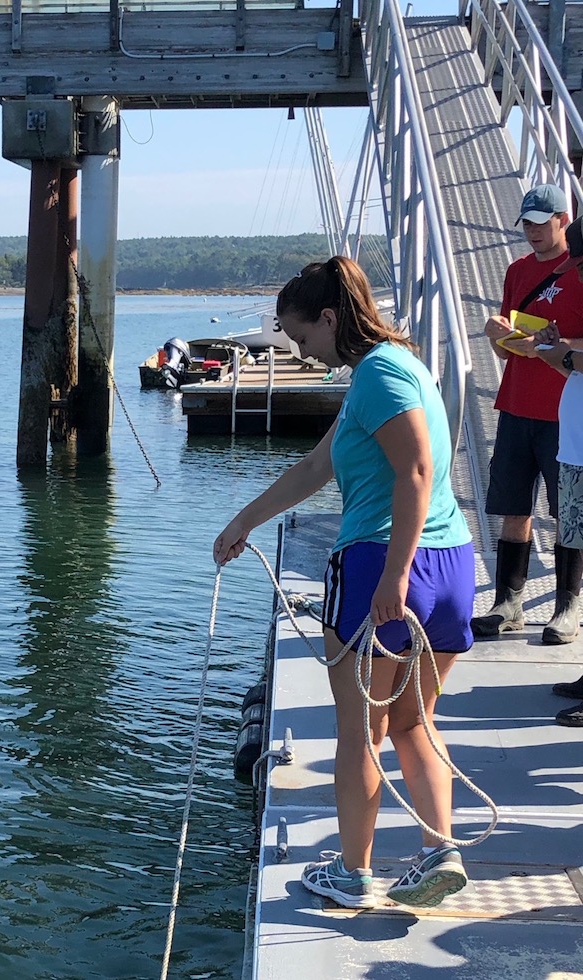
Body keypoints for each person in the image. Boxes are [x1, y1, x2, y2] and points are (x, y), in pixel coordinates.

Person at [214, 257, 474, 910]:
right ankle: (439, 851)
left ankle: (354, 874)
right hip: (451, 565)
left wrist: (391, 576)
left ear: (330, 318)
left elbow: (414, 469)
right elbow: (318, 466)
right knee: (415, 723)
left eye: (303, 338)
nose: (302, 351)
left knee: (360, 731)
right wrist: (245, 519)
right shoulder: (397, 369)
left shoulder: (379, 374)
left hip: (385, 566)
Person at [473, 184, 583, 643]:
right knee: (513, 507)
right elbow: (505, 349)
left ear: (563, 219)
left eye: (542, 221)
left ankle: (567, 608)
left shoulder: (578, 269)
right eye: (528, 223)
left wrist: (556, 348)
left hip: (564, 411)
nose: (533, 231)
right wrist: (495, 332)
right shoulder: (517, 271)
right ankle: (508, 603)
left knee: (567, 513)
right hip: (516, 404)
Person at [524, 214, 583, 728]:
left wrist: (565, 354)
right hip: (576, 448)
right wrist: (558, 352)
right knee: (575, 537)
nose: (579, 274)